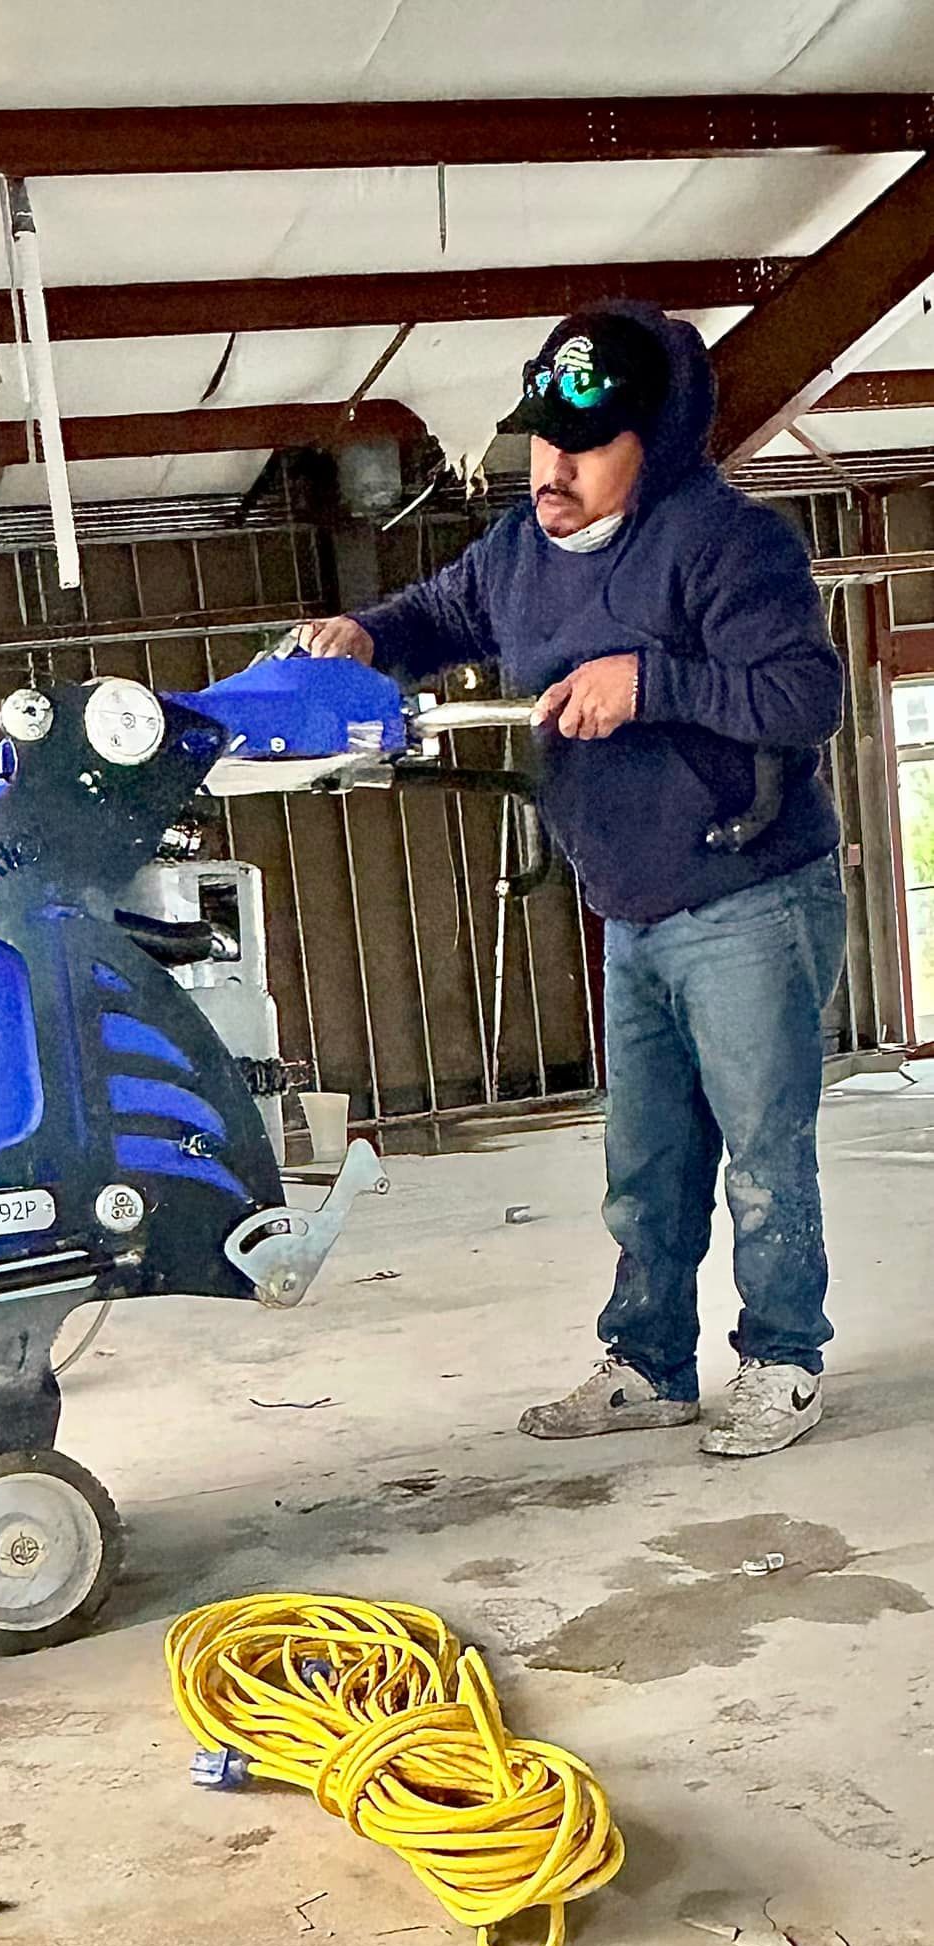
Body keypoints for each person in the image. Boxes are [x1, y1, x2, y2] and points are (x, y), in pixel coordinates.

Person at [300, 304, 847, 1458]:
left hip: (746, 895)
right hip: (630, 903)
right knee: (644, 1163)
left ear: (655, 441)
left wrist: (646, 682)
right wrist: (363, 633)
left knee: (760, 1155)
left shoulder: (726, 544)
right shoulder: (517, 551)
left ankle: (781, 1359)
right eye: (542, 436)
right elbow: (438, 612)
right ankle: (648, 1364)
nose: (550, 466)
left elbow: (802, 697)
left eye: (584, 445)